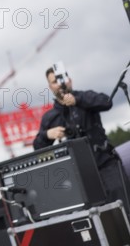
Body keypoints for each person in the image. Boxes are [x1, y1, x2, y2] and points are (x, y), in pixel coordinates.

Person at [34, 67, 130, 210]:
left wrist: (77, 100)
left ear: (69, 80)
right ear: (50, 87)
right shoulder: (50, 117)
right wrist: (47, 135)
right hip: (79, 177)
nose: (60, 84)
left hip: (107, 165)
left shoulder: (86, 97)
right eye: (55, 81)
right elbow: (37, 147)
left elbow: (107, 102)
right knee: (97, 217)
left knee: (125, 207)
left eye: (62, 79)